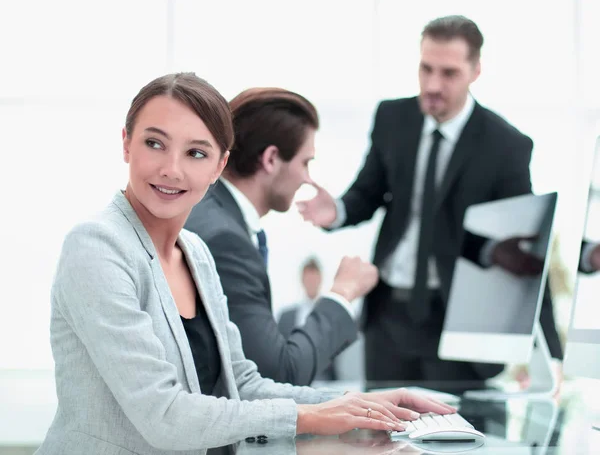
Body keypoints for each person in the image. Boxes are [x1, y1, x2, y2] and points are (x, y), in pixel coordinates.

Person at [36, 73, 456, 455]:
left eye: (196, 153)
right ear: (126, 142)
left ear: (220, 165)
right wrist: (306, 417)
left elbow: (244, 385)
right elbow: (163, 415)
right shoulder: (97, 247)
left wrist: (351, 404)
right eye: (154, 143)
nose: (171, 169)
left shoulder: (196, 253)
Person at [297, 15, 562, 382]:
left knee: (456, 437)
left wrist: (551, 355)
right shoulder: (393, 117)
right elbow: (368, 192)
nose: (433, 84)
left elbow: (526, 249)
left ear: (476, 71)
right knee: (382, 434)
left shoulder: (506, 146)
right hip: (387, 313)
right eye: (426, 69)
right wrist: (338, 210)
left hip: (455, 321)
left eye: (449, 73)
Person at [185, 88, 369, 386]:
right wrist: (343, 292)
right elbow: (278, 376)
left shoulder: (209, 213)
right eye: (305, 162)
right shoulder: (226, 241)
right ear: (271, 159)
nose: (308, 178)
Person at [278, 257, 338, 381]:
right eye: (308, 278)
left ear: (320, 279)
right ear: (302, 280)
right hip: (292, 379)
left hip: (324, 379)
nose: (311, 283)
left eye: (314, 278)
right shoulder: (286, 317)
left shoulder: (331, 314)